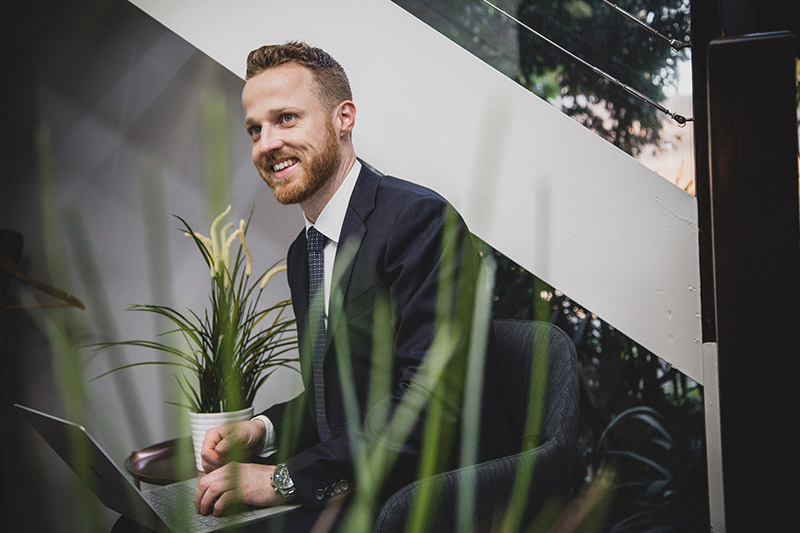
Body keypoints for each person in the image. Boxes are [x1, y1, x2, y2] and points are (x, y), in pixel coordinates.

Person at [192, 41, 512, 531]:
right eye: (255, 129)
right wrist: (263, 429)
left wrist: (279, 481)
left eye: (286, 119)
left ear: (344, 118)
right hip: (355, 483)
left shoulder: (418, 220)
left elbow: (429, 407)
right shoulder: (305, 254)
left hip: (423, 496)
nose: (266, 143)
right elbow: (341, 402)